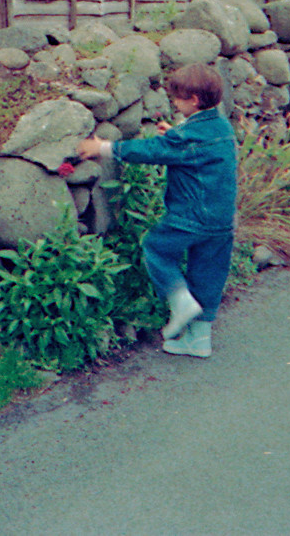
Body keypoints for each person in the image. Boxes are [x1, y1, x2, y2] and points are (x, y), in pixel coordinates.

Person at [76, 63, 236, 359]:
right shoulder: (221, 127)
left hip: (191, 216)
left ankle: (180, 301)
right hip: (222, 220)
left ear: (194, 101)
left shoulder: (185, 138)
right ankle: (199, 340)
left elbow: (151, 151)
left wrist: (105, 148)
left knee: (156, 247)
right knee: (208, 273)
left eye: (177, 98)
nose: (174, 102)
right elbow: (193, 147)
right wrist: (174, 134)